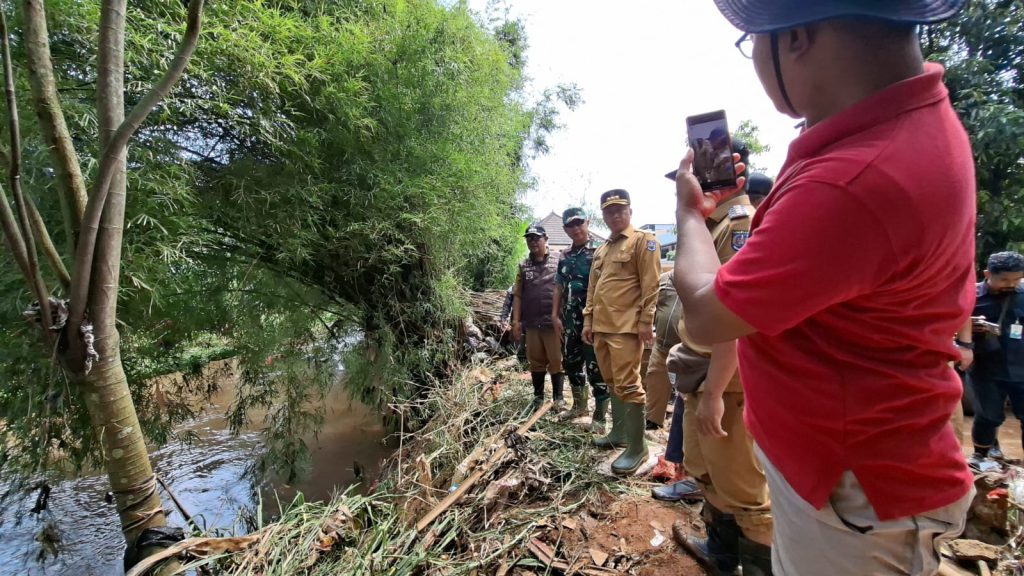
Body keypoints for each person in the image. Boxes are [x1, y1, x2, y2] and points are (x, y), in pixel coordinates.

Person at [672, 2, 975, 574]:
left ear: (799, 37)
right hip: (840, 473)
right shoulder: (893, 130)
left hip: (855, 497)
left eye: (752, 42)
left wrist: (689, 214)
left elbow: (711, 316)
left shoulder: (856, 179)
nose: (756, 60)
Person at [582, 189, 660, 475]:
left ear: (629, 211)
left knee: (628, 384)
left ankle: (638, 448)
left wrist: (645, 322)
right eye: (609, 211)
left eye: (620, 210)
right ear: (603, 216)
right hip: (602, 327)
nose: (615, 215)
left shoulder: (643, 242)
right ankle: (620, 433)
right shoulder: (603, 249)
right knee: (613, 381)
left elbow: (651, 284)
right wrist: (588, 321)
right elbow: (593, 288)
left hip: (626, 328)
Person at [551, 207, 611, 431]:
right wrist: (554, 314)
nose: (575, 229)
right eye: (570, 225)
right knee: (572, 363)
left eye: (579, 223)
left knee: (596, 367)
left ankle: (600, 418)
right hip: (569, 320)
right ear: (565, 228)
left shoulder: (601, 250)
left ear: (587, 223)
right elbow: (558, 286)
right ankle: (579, 406)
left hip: (594, 320)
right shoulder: (564, 255)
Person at [969, 251, 1024, 464]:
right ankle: (981, 458)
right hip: (986, 368)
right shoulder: (971, 296)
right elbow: (952, 327)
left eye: (1016, 279)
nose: (1011, 284)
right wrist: (970, 327)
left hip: (1021, 367)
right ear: (987, 274)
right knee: (988, 416)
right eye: (1003, 280)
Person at [511, 224, 565, 411]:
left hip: (553, 322)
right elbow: (517, 295)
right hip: (532, 323)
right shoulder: (523, 265)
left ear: (546, 239)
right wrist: (516, 322)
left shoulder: (559, 260)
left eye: (537, 238)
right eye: (529, 238)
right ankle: (538, 397)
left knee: (556, 360)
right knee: (535, 361)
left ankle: (558, 398)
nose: (533, 242)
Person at [643, 271, 681, 429]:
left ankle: (680, 430)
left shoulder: (702, 277)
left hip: (687, 348)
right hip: (662, 344)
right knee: (654, 379)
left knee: (688, 390)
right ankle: (652, 421)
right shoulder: (664, 279)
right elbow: (651, 305)